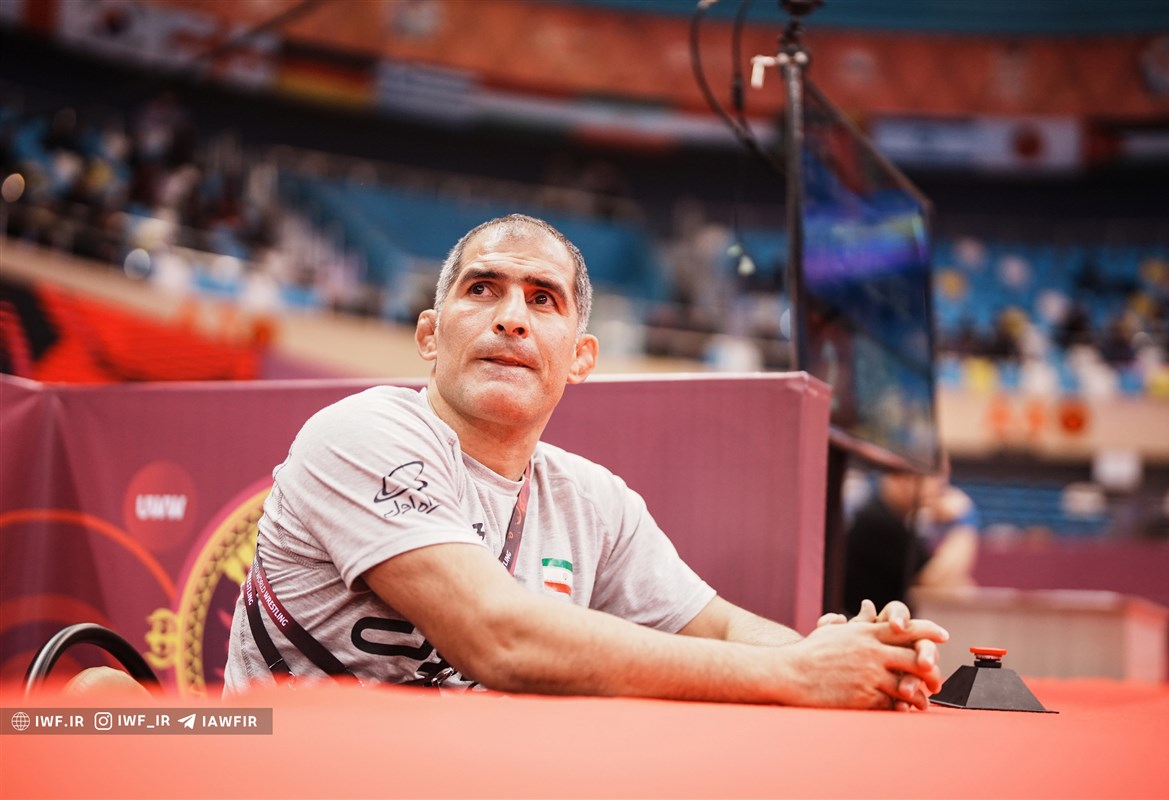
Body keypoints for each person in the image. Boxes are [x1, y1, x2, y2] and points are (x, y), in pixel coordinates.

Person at [224, 213, 948, 710]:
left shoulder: (593, 499)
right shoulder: (360, 433)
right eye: (482, 289)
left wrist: (851, 659)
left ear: (581, 357)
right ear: (429, 336)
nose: (511, 317)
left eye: (543, 299)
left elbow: (726, 629)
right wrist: (795, 674)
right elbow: (499, 639)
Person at [842, 465, 980, 615]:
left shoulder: (900, 520)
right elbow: (936, 582)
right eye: (936, 479)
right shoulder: (878, 521)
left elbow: (955, 583)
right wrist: (964, 521)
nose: (942, 490)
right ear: (903, 479)